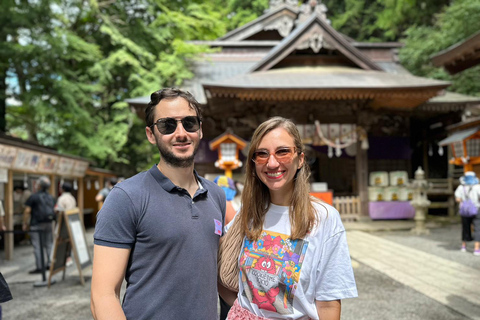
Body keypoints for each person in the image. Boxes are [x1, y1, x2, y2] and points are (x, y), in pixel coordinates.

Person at [91, 88, 226, 320]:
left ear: (200, 129)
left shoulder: (216, 195)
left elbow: (220, 276)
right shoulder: (127, 196)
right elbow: (102, 295)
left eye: (189, 123)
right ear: (151, 134)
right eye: (167, 125)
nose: (181, 133)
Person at [219, 117, 358, 320]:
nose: (272, 163)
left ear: (300, 158)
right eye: (262, 154)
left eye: (282, 152)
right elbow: (221, 273)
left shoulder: (324, 218)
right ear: (254, 162)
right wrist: (241, 312)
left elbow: (328, 303)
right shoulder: (248, 212)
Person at [22, 176, 56, 274]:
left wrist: (25, 223)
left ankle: (40, 267)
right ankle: (50, 264)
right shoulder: (51, 197)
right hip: (49, 223)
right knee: (49, 243)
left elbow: (27, 210)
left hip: (36, 224)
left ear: (39, 186)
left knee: (37, 245)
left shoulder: (34, 196)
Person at [454, 171, 480, 256]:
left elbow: (457, 199)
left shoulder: (461, 187)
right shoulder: (477, 187)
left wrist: (465, 202)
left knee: (465, 228)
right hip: (476, 209)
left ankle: (463, 246)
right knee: (477, 228)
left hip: (464, 210)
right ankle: (476, 249)